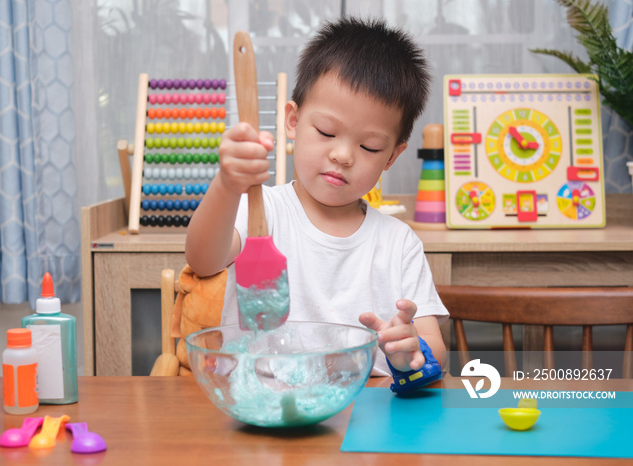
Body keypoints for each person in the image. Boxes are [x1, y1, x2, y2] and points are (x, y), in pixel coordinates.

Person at [185, 17, 448, 389]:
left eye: (369, 146)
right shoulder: (263, 210)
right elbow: (202, 258)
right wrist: (228, 186)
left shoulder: (398, 243)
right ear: (293, 120)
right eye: (326, 131)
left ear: (391, 156)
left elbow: (434, 350)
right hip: (257, 405)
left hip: (362, 413)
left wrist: (409, 354)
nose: (342, 155)